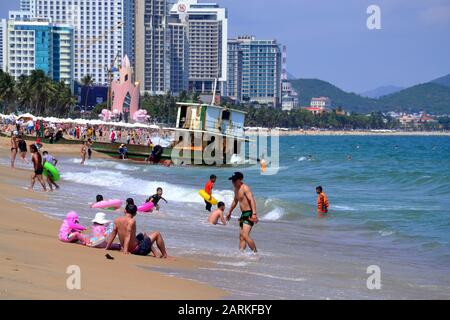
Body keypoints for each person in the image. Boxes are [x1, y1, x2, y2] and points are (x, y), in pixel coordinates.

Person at [226, 172, 258, 253]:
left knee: (245, 235)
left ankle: (255, 253)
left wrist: (254, 214)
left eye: (234, 180)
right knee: (241, 237)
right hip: (243, 214)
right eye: (232, 180)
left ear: (240, 180)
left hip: (249, 213)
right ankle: (241, 254)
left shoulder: (245, 188)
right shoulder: (236, 189)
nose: (233, 182)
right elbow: (235, 201)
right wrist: (229, 211)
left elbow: (251, 200)